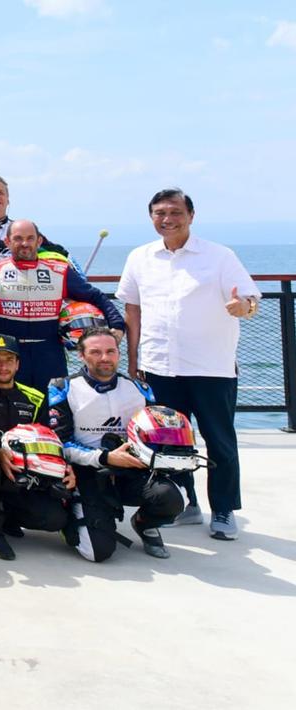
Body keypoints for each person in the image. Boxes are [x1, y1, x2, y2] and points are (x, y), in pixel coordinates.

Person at [117, 188, 261, 540]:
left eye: (175, 212)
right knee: (169, 441)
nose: (167, 219)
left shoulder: (219, 256)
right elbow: (132, 310)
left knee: (219, 440)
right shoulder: (140, 257)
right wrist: (133, 360)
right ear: (151, 217)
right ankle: (187, 502)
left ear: (191, 216)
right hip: (160, 365)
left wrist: (244, 308)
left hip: (212, 367)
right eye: (159, 213)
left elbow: (249, 298)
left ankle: (224, 509)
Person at [48, 327, 184, 561]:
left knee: (172, 498)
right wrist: (105, 457)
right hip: (87, 471)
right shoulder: (63, 388)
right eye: (96, 352)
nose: (104, 358)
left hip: (130, 468)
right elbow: (60, 443)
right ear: (81, 355)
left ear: (118, 354)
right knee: (98, 553)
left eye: (111, 351)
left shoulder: (139, 389)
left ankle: (145, 524)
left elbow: (155, 435)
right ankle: (75, 513)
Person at [0, 334, 73, 560]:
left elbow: (48, 440)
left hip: (22, 473)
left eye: (9, 359)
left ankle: (8, 514)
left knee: (55, 519)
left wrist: (64, 467)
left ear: (18, 364)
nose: (3, 366)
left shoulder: (36, 398)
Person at [0, 219, 123, 391]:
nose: (24, 243)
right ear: (7, 242)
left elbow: (96, 296)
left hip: (49, 352)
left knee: (53, 408)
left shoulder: (59, 270)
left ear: (39, 241)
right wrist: (4, 330)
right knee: (11, 409)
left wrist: (117, 325)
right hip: (9, 354)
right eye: (18, 238)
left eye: (30, 238)